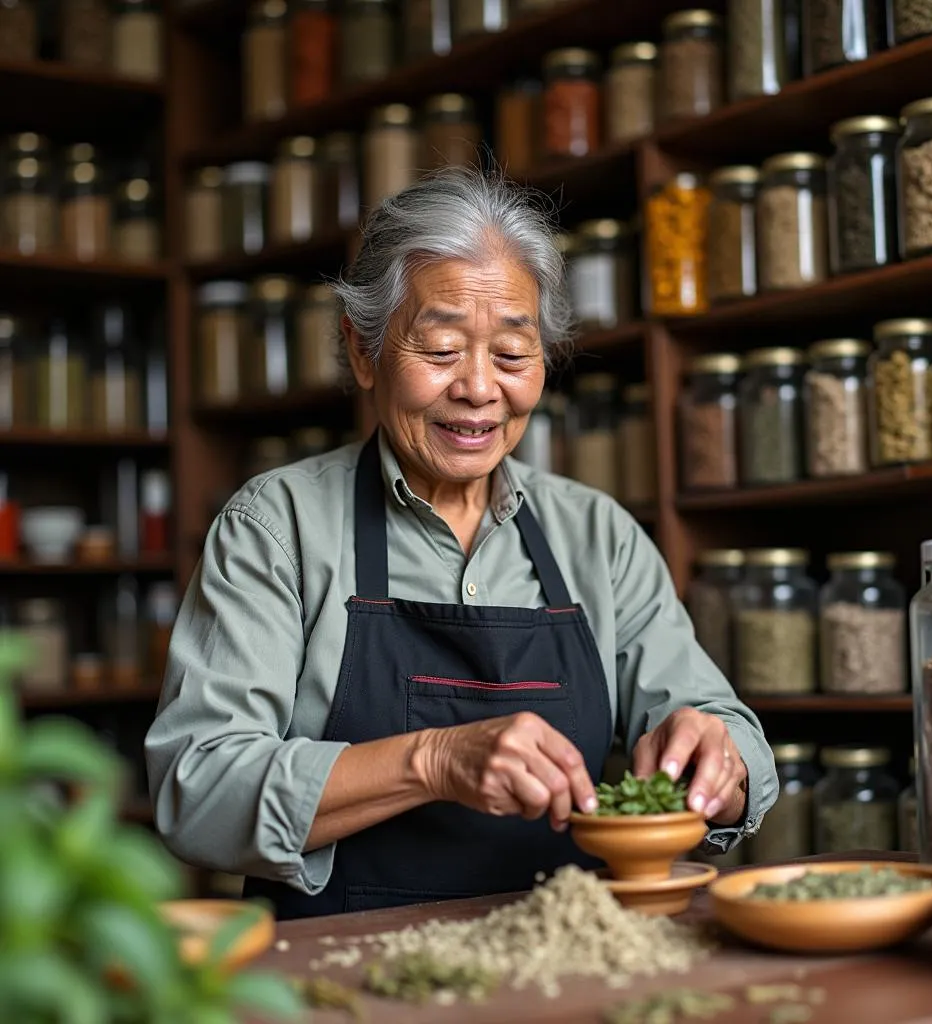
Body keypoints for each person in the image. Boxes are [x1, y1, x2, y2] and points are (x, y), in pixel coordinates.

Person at [145, 168, 777, 920]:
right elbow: (197, 790)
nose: (479, 389)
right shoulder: (276, 529)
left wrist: (717, 757)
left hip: (569, 963)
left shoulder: (598, 536)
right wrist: (435, 760)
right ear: (362, 352)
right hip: (342, 981)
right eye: (441, 350)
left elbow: (726, 736)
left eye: (512, 356)